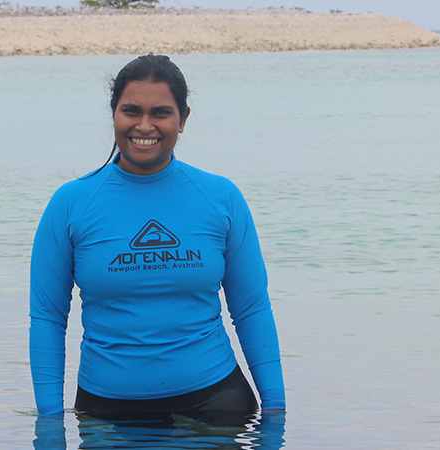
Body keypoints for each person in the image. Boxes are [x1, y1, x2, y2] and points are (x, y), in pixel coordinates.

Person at [29, 54, 285, 421]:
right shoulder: (71, 204)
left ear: (183, 120)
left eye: (161, 113)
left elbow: (251, 308)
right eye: (131, 111)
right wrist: (50, 422)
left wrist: (275, 410)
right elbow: (47, 319)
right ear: (113, 114)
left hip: (215, 407)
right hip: (107, 414)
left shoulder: (220, 198)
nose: (144, 126)